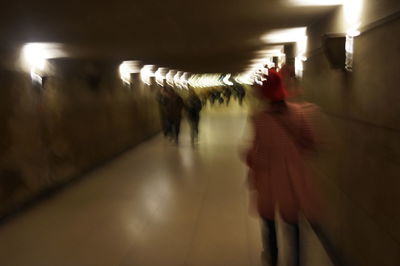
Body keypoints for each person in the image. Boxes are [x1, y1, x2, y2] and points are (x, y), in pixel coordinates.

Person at [245, 68, 318, 266]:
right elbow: (311, 142)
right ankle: (295, 261)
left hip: (268, 176)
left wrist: (250, 160)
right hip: (291, 177)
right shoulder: (299, 113)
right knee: (292, 221)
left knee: (268, 219)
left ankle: (272, 256)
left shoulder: (260, 119)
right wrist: (293, 155)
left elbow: (255, 150)